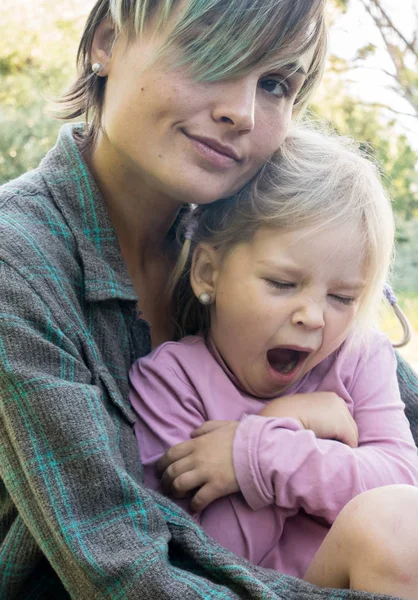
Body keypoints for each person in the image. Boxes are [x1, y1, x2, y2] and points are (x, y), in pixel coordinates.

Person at [0, 0, 417, 598]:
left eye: (274, 84)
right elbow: (120, 570)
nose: (240, 112)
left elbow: (402, 443)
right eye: (210, 53)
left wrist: (274, 436)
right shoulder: (18, 263)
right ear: (107, 42)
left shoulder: (253, 238)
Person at [129, 126, 418, 597]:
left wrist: (261, 448)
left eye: (343, 297)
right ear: (208, 273)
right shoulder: (170, 384)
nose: (313, 317)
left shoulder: (359, 356)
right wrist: (286, 422)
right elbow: (209, 559)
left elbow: (402, 481)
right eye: (283, 284)